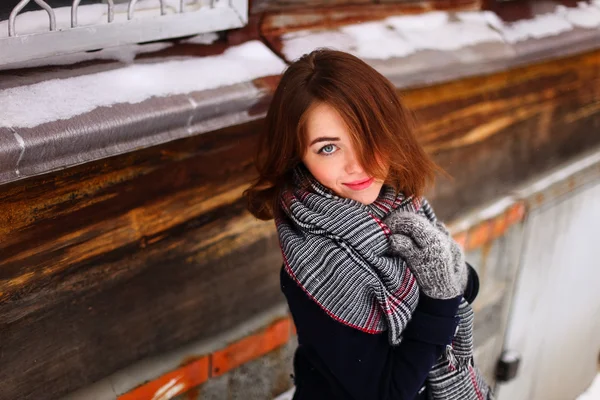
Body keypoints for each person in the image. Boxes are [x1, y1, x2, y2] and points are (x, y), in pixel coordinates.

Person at [244, 49, 492, 400]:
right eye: (328, 148)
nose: (356, 165)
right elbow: (387, 393)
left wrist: (449, 272)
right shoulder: (318, 263)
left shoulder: (397, 204)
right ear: (298, 155)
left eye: (368, 137)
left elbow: (468, 287)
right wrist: (438, 297)